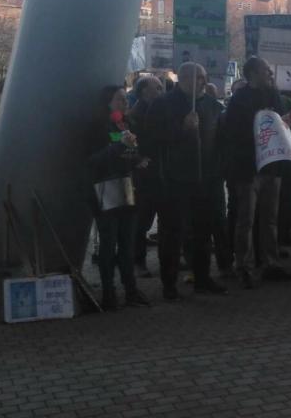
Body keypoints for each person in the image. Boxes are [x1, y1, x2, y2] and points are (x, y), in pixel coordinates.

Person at [144, 63, 228, 300]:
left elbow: (221, 140)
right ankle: (169, 284)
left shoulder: (213, 106)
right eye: (197, 77)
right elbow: (151, 140)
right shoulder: (163, 105)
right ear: (182, 79)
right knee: (173, 233)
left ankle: (202, 277)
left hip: (207, 180)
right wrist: (182, 129)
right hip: (175, 180)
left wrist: (219, 169)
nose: (202, 81)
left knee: (204, 232)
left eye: (204, 77)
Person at [224, 57, 291, 289]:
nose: (269, 74)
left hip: (272, 166)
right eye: (265, 70)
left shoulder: (273, 96)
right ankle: (243, 265)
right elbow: (233, 133)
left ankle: (270, 262)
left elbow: (282, 124)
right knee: (246, 220)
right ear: (253, 73)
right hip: (248, 169)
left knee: (270, 219)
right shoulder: (239, 100)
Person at [85, 85, 150, 309]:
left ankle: (130, 289)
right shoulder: (99, 127)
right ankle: (108, 292)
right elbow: (94, 160)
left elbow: (132, 153)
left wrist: (140, 160)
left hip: (128, 186)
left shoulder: (130, 124)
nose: (125, 103)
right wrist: (118, 146)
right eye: (120, 99)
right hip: (106, 187)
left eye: (126, 99)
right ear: (108, 103)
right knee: (108, 243)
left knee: (127, 242)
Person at [128, 75, 164, 279]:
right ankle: (138, 261)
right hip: (143, 177)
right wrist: (138, 159)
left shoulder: (161, 112)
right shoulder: (133, 117)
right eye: (157, 88)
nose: (161, 91)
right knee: (141, 221)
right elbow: (125, 145)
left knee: (164, 219)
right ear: (143, 92)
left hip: (161, 172)